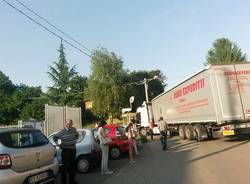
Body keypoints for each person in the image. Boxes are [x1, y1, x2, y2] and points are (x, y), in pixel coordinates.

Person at [53, 119, 79, 184]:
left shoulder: (74, 129)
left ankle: (72, 181)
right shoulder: (62, 131)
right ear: (65, 124)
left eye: (70, 124)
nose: (69, 125)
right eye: (67, 124)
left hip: (73, 150)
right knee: (64, 168)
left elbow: (77, 135)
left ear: (72, 124)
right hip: (65, 151)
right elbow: (54, 137)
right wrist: (58, 145)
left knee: (72, 167)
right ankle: (63, 182)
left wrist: (74, 140)